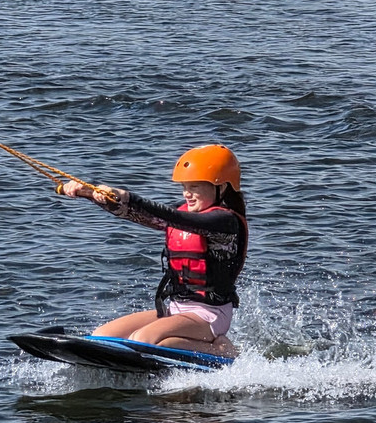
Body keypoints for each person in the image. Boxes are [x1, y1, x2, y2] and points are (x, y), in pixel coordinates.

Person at [58, 144, 247, 358]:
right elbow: (141, 215)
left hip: (210, 315)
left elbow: (174, 218)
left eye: (194, 186)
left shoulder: (225, 223)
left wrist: (126, 196)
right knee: (101, 336)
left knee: (143, 340)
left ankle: (224, 351)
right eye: (184, 186)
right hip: (176, 309)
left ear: (221, 187)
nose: (187, 194)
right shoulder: (184, 213)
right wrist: (90, 193)